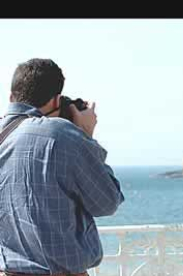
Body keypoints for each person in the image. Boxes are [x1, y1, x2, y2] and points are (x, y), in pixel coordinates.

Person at [0, 58, 125, 275]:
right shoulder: (59, 134)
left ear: (12, 96)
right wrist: (86, 136)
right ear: (57, 100)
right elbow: (107, 202)